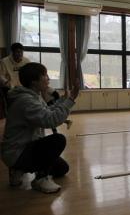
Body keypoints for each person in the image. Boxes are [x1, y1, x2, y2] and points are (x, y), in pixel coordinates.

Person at [0, 62, 79, 194]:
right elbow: (50, 120)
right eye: (44, 75)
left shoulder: (33, 95)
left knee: (61, 169)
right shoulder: (26, 101)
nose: (48, 78)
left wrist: (64, 101)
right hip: (17, 152)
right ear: (33, 82)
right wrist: (70, 100)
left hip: (25, 147)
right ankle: (40, 179)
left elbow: (47, 111)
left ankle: (19, 170)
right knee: (58, 140)